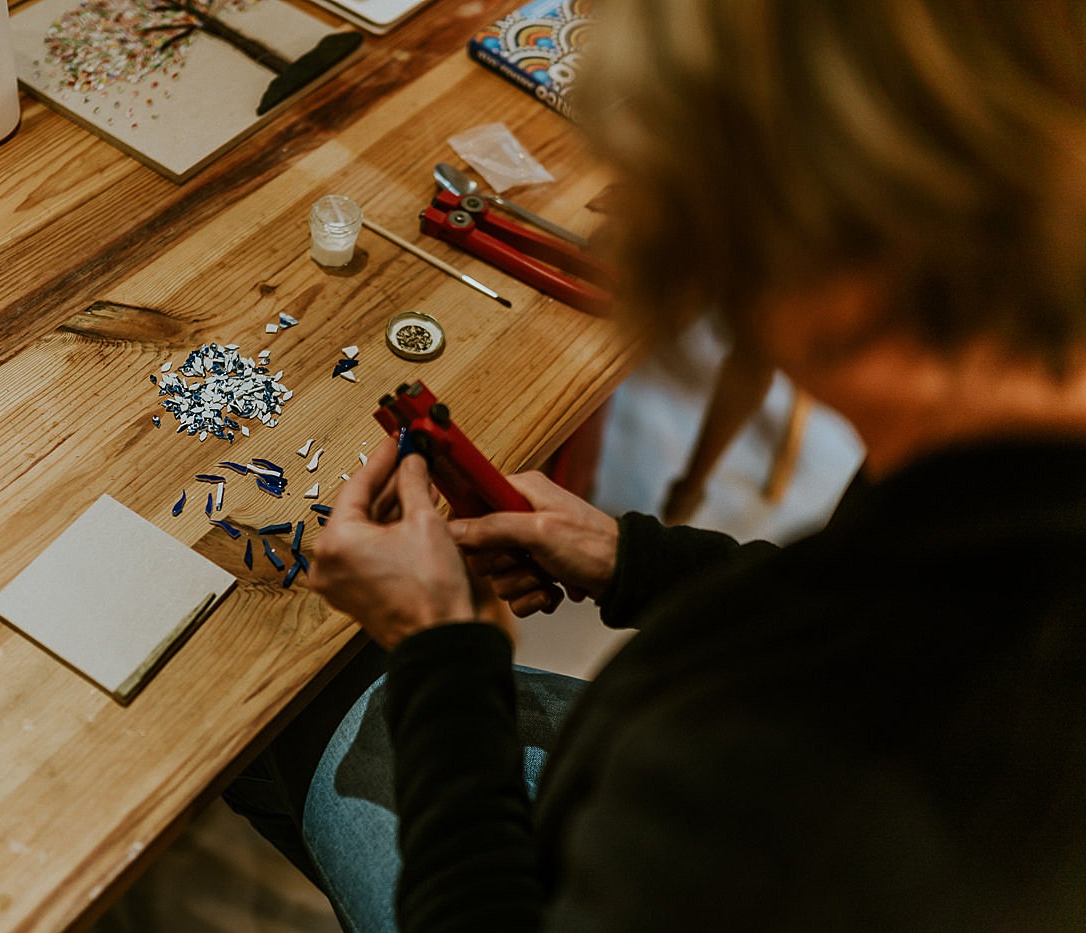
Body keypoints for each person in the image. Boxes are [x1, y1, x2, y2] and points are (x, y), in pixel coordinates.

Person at [224, 1, 1086, 929]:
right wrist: (634, 557)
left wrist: (443, 654)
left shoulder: (810, 779)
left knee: (279, 711)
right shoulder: (1000, 460)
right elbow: (897, 602)